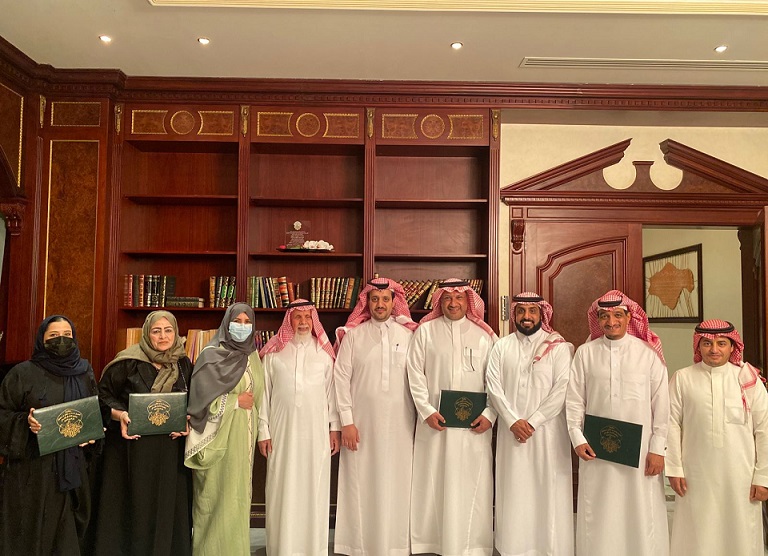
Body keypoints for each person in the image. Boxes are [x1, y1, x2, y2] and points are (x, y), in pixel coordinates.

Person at [565, 290, 669, 556]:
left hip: (641, 450)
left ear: (629, 317)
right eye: (604, 316)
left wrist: (658, 449)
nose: (611, 322)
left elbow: (661, 405)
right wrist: (577, 439)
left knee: (640, 508)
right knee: (599, 507)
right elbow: (575, 400)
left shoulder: (648, 354)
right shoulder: (585, 353)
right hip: (596, 449)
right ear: (597, 319)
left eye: (617, 315)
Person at [406, 279, 498, 556]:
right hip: (435, 424)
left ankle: (472, 544)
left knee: (472, 483)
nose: (453, 303)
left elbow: (495, 381)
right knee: (433, 481)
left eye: (459, 298)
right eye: (447, 298)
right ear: (440, 302)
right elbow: (415, 375)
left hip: (474, 428)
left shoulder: (484, 336)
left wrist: (490, 414)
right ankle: (432, 542)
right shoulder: (425, 332)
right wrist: (426, 411)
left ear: (469, 301)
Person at [92, 310, 193, 556]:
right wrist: (120, 415)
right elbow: (102, 397)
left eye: (168, 330)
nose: (163, 336)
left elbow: (192, 400)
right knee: (136, 508)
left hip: (170, 452)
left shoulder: (183, 364)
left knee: (168, 508)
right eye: (156, 331)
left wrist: (187, 419)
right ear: (147, 333)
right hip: (133, 451)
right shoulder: (127, 362)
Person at [666, 319, 768, 556]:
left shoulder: (748, 380)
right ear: (698, 346)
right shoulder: (682, 378)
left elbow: (764, 429)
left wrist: (763, 476)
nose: (714, 349)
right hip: (695, 475)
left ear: (732, 347)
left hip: (741, 477)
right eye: (707, 343)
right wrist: (674, 468)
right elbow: (670, 424)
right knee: (697, 534)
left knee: (740, 534)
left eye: (721, 343)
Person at [0, 315, 99, 555]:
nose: (61, 340)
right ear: (41, 339)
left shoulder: (84, 372)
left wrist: (92, 434)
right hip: (32, 471)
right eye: (53, 336)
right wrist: (25, 422)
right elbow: (3, 413)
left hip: (73, 469)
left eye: (67, 335)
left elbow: (95, 411)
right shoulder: (22, 373)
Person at [333, 278, 418, 556]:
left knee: (397, 483)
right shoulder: (353, 336)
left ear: (394, 302)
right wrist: (346, 422)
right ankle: (359, 546)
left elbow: (420, 380)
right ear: (367, 303)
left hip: (401, 427)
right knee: (361, 485)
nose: (380, 304)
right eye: (375, 299)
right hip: (360, 428)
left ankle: (394, 546)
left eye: (385, 299)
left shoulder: (409, 336)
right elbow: (340, 379)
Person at [486, 292, 574, 556]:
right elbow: (493, 387)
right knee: (514, 490)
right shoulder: (501, 346)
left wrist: (532, 422)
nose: (526, 317)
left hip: (548, 435)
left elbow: (562, 390)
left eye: (532, 311)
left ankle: (550, 549)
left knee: (548, 489)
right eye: (521, 311)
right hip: (511, 435)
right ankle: (512, 548)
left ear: (542, 314)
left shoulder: (559, 347)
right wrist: (513, 421)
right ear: (513, 314)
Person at [257, 299, 340, 555]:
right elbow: (263, 396)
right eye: (297, 317)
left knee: (314, 489)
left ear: (314, 320)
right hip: (281, 435)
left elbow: (332, 395)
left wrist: (334, 429)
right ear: (289, 320)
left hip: (316, 436)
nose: (303, 322)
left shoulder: (324, 355)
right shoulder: (273, 354)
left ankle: (313, 549)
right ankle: (282, 548)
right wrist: (263, 431)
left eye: (307, 317)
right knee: (282, 489)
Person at [185, 302, 265, 556]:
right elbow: (198, 403)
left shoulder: (252, 356)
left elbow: (260, 397)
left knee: (238, 500)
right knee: (216, 499)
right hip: (216, 440)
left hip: (244, 439)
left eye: (247, 322)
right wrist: (234, 402)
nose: (242, 327)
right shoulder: (211, 355)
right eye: (237, 321)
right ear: (226, 324)